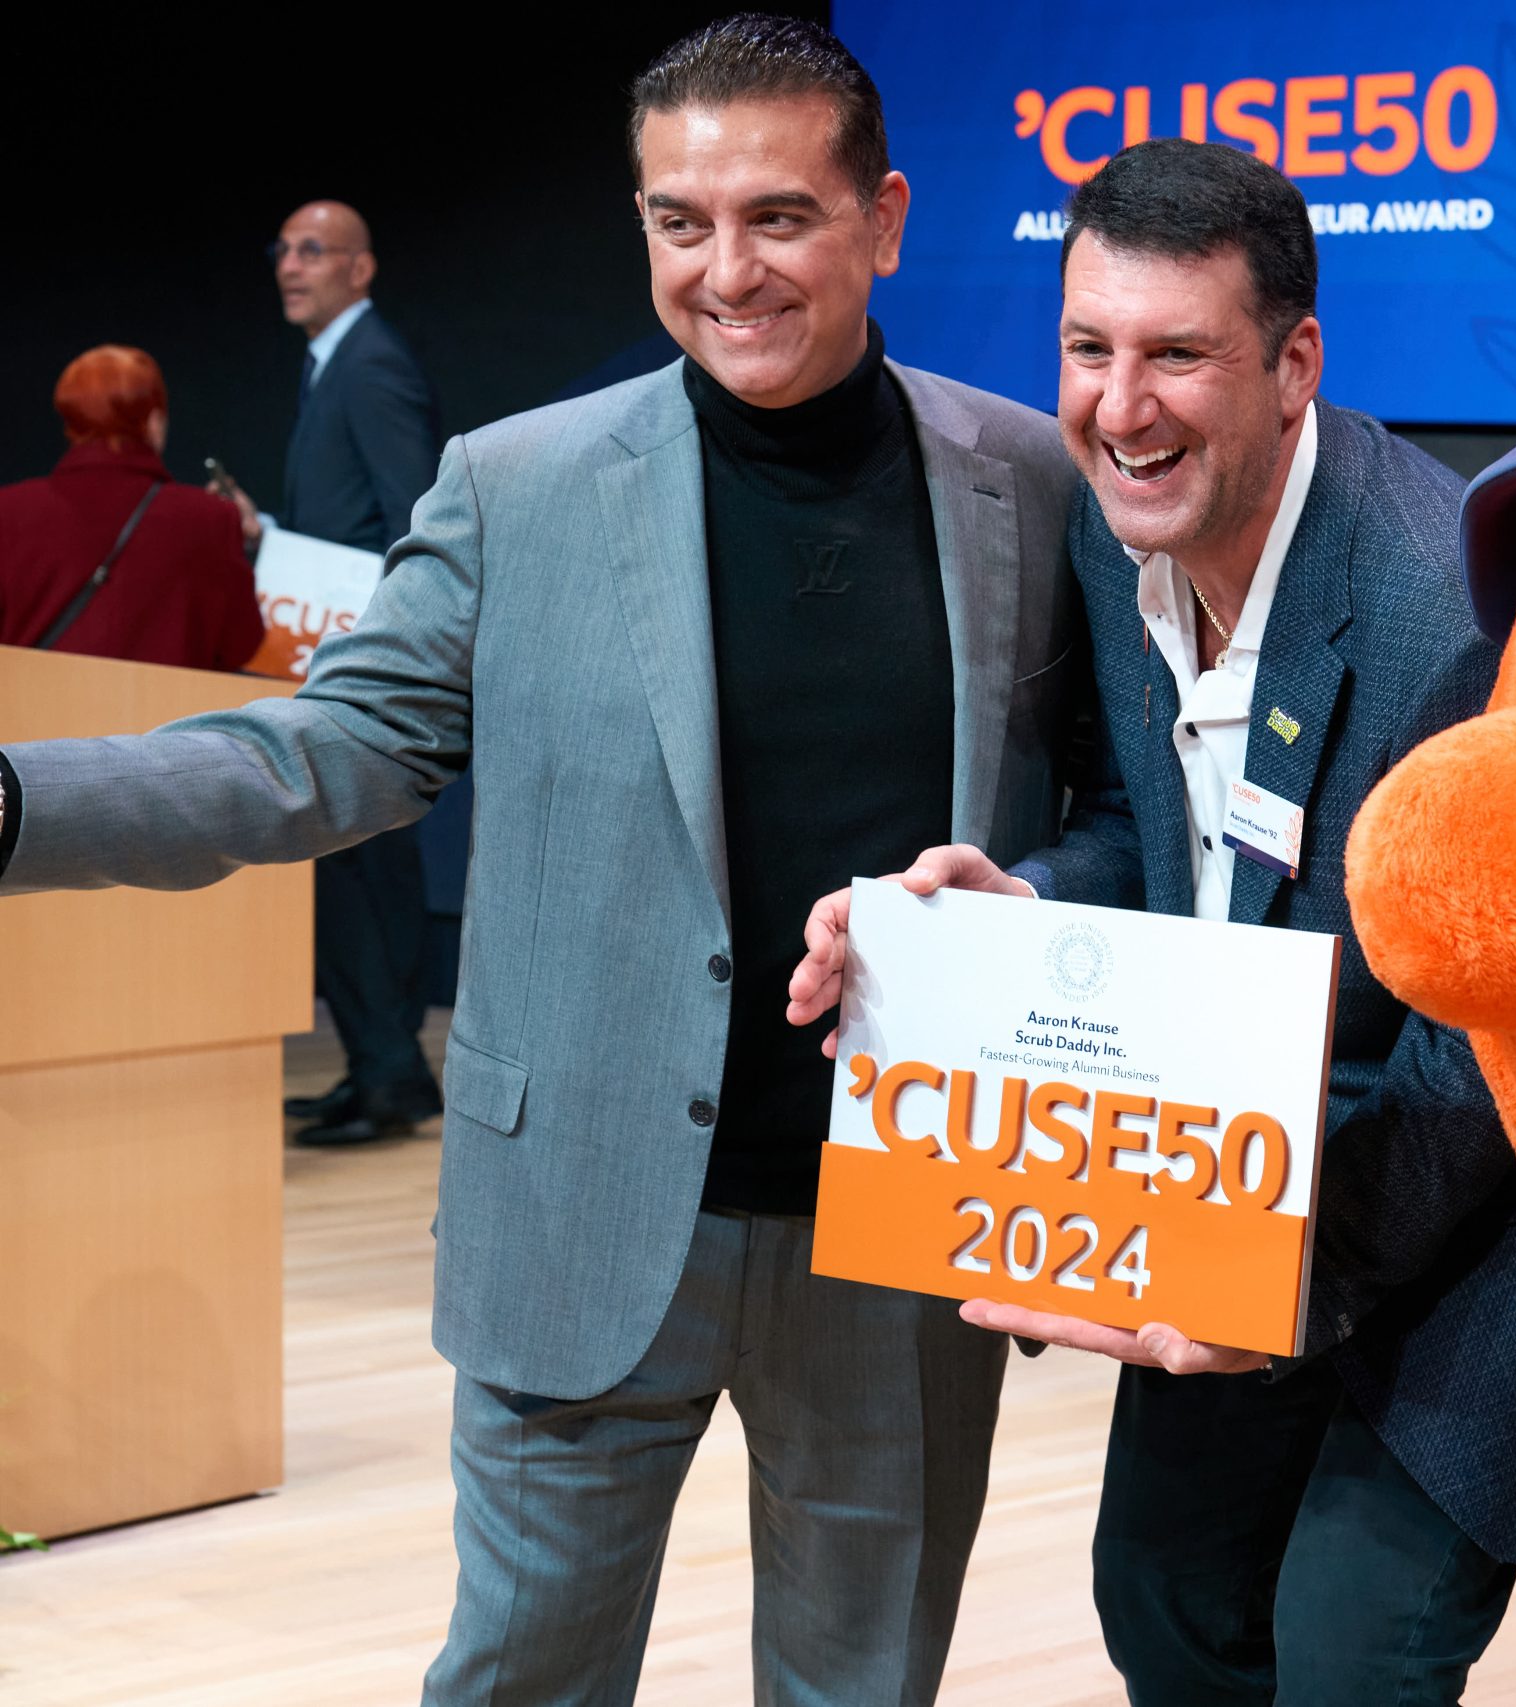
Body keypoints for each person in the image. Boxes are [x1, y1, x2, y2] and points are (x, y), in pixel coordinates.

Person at [0, 16, 1085, 1703]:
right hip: (577, 1212)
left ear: (883, 217)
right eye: (680, 221)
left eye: (780, 217)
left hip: (899, 1234)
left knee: (863, 1686)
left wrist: (1033, 895)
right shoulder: (514, 486)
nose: (727, 271)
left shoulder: (1026, 473)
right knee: (520, 1678)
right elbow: (327, 751)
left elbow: (1101, 806)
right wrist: (16, 804)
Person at [789, 138, 1516, 1707]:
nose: (1119, 407)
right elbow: (1147, 827)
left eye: (1177, 356)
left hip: (1502, 1199)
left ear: (1294, 366)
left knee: (1354, 1641)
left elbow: (1496, 1046)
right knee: (1162, 1588)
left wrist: (1282, 1279)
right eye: (1088, 348)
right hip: (1265, 1168)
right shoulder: (1119, 520)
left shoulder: (1452, 615)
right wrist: (1019, 918)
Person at [212, 198, 448, 1145]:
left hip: (367, 671)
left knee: (361, 872)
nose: (290, 265)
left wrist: (395, 654)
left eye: (314, 251)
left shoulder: (373, 364)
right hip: (336, 655)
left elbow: (415, 517)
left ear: (362, 269)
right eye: (283, 249)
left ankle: (390, 1077)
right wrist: (265, 533)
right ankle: (378, 1070)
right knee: (350, 871)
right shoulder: (333, 365)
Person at [0, 346, 263, 669]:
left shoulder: (8, 511)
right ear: (154, 422)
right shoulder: (211, 517)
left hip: (30, 716)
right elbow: (241, 647)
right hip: (167, 718)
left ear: (70, 423)